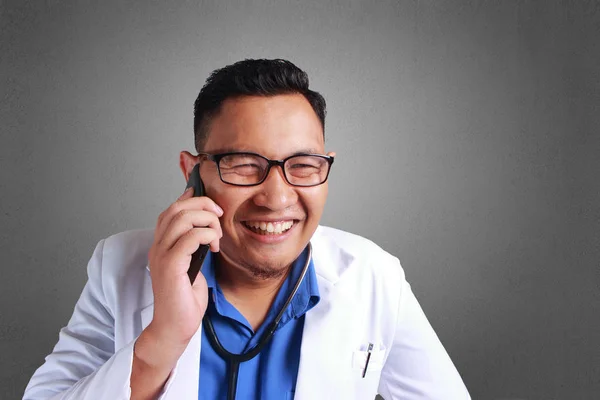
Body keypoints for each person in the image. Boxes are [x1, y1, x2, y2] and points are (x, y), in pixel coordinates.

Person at [23, 59, 470, 400]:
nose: (276, 197)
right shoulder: (119, 265)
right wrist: (163, 338)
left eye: (303, 165)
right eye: (243, 165)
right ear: (193, 174)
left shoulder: (375, 275)